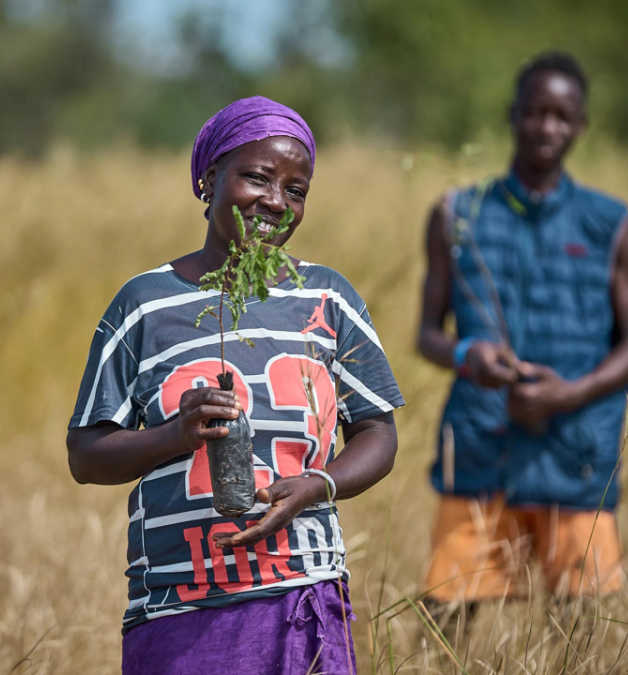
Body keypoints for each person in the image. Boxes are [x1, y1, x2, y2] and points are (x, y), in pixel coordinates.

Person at [67, 96, 403, 675]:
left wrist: (319, 484)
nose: (276, 201)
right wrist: (176, 434)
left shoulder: (327, 299)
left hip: (303, 594)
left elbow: (378, 432)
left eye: (296, 190)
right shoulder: (144, 306)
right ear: (209, 178)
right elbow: (85, 454)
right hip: (180, 604)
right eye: (257, 177)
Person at [416, 53, 628, 632]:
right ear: (512, 115)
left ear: (581, 125)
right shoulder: (458, 215)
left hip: (574, 450)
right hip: (480, 444)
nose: (548, 127)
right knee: (448, 614)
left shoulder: (610, 223)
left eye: (562, 116)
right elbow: (426, 336)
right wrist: (470, 357)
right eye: (535, 113)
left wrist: (567, 396)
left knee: (578, 625)